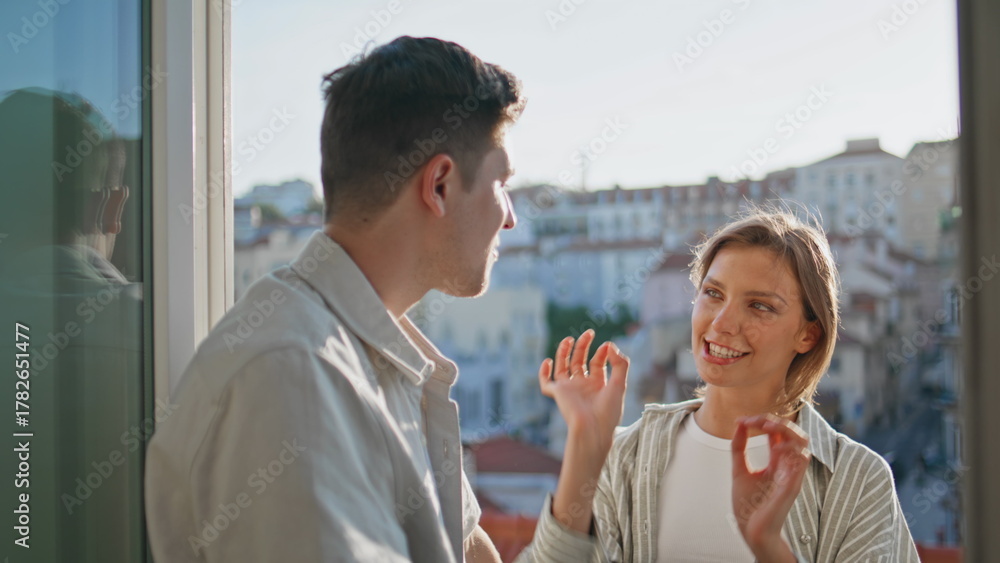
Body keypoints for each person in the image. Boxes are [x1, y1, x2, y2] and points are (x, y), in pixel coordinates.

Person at [145, 37, 615, 562]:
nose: (510, 217)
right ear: (439, 186)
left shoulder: (376, 364)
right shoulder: (291, 378)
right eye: (501, 183)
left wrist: (585, 450)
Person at [516, 209, 919, 562]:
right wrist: (585, 448)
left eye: (759, 306)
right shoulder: (627, 457)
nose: (722, 323)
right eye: (713, 293)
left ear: (808, 335)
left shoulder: (857, 480)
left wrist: (768, 546)